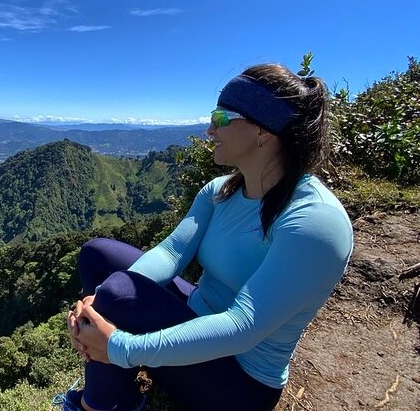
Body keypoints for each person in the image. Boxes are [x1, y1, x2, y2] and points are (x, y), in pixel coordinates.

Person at [60, 63, 354, 411]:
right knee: (98, 256)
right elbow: (171, 253)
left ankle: (99, 405)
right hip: (198, 313)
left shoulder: (315, 223)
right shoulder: (222, 191)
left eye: (222, 116)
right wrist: (100, 305)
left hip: (240, 380)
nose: (210, 128)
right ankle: (117, 388)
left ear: (264, 130)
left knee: (118, 294)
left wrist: (121, 347)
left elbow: (243, 325)